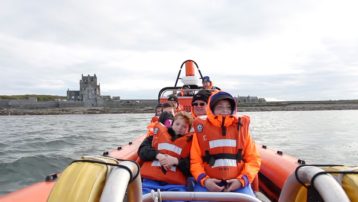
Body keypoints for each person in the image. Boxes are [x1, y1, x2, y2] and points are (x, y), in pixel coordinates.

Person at [190, 91, 261, 196]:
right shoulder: (201, 131)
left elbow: (253, 160)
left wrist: (241, 181)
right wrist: (205, 181)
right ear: (212, 108)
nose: (224, 110)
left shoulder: (242, 130)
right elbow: (195, 161)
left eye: (228, 107)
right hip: (206, 184)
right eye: (220, 107)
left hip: (238, 183)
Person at [138, 111, 194, 196]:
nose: (179, 128)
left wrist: (176, 161)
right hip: (151, 182)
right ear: (172, 124)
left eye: (184, 127)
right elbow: (142, 151)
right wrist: (158, 155)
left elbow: (192, 165)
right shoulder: (155, 137)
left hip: (175, 185)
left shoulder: (191, 144)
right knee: (142, 196)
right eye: (177, 124)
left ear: (188, 130)